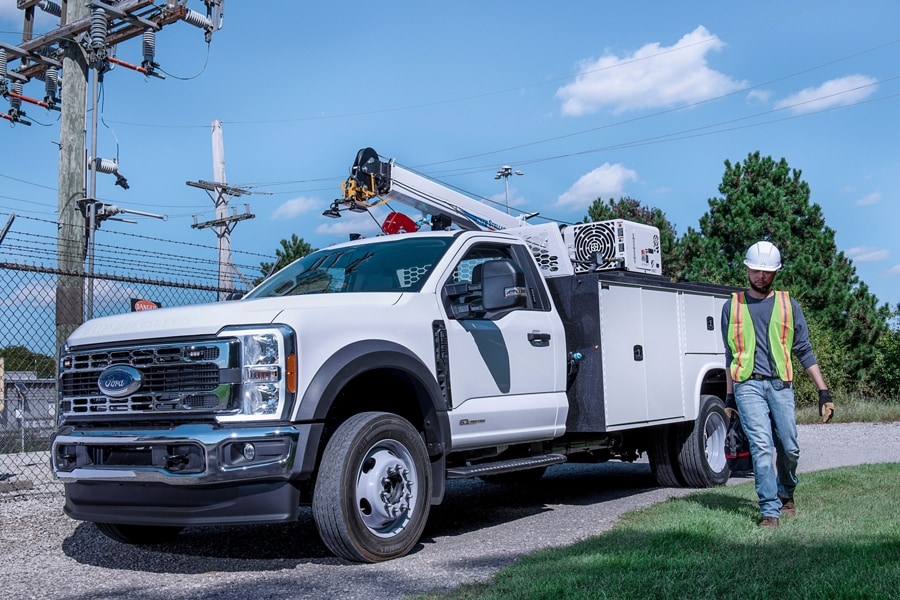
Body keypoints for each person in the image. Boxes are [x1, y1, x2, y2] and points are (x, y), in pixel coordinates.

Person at [721, 241, 834, 529]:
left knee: (789, 447)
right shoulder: (731, 306)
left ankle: (786, 492)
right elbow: (729, 355)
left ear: (775, 273)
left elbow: (804, 350)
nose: (760, 276)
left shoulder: (788, 305)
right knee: (761, 447)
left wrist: (823, 391)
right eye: (756, 270)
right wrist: (729, 398)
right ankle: (769, 510)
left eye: (767, 271)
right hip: (747, 385)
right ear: (747, 270)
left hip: (780, 385)